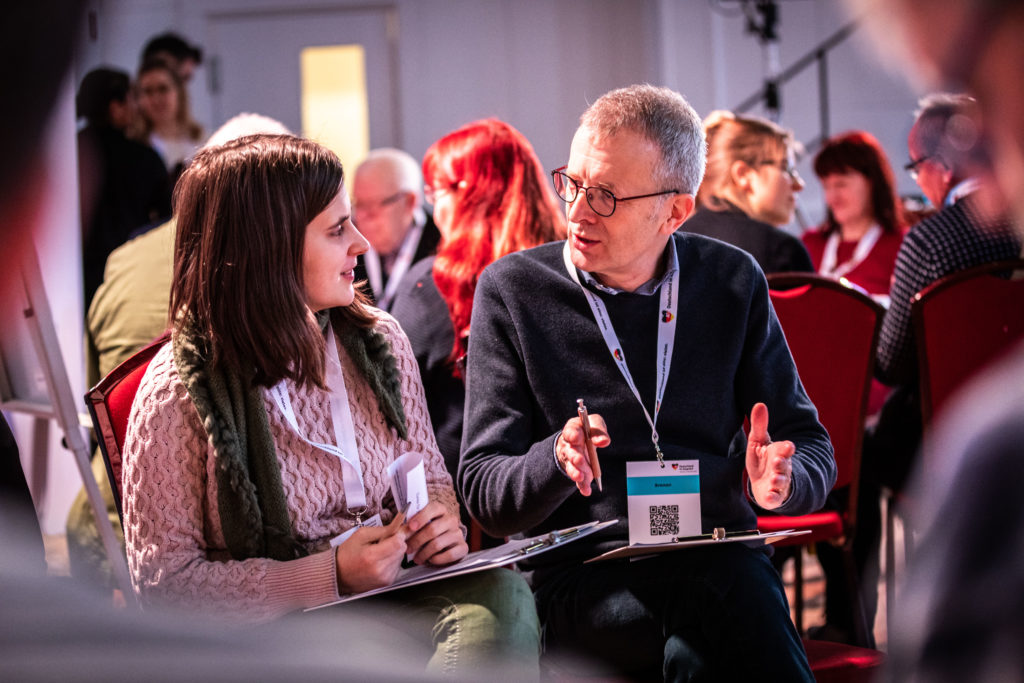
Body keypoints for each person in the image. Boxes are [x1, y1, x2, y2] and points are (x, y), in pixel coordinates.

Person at [120, 133, 539, 676]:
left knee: (502, 596)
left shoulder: (378, 340)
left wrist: (438, 522)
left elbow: (431, 478)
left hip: (391, 592)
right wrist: (329, 575)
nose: (362, 243)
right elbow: (165, 587)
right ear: (266, 249)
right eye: (338, 229)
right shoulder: (177, 390)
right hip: (268, 631)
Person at [459, 84, 835, 681]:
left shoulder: (730, 280)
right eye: (574, 183)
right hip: (589, 577)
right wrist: (555, 461)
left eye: (606, 195)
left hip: (713, 548)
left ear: (675, 211)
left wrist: (782, 483)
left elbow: (810, 446)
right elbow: (484, 490)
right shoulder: (513, 292)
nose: (578, 211)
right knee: (726, 597)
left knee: (699, 644)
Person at [845, 1, 1024, 679]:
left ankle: (847, 615)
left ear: (937, 165)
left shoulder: (929, 238)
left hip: (940, 433)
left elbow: (890, 361)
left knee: (864, 448)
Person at [67, 113, 292, 590]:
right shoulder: (266, 277)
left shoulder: (124, 259)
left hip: (98, 517)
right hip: (200, 549)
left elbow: (99, 397)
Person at [390, 118, 564, 485]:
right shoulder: (568, 270)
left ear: (469, 194)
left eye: (437, 195)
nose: (435, 211)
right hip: (562, 488)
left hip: (464, 511)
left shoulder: (433, 286)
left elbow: (387, 403)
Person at [77, 67, 171, 307]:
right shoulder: (143, 158)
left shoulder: (70, 153)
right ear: (115, 107)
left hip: (78, 274)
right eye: (132, 98)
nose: (137, 106)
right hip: (131, 271)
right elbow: (168, 218)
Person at [684, 109, 814, 273]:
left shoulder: (671, 243)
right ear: (743, 174)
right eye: (786, 168)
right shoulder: (780, 251)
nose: (799, 184)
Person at [803, 130, 906, 302]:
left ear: (872, 182)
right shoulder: (809, 244)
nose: (831, 197)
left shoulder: (902, 247)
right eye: (826, 187)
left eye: (841, 184)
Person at [351, 148, 441, 310]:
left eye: (374, 205)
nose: (363, 216)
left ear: (410, 202)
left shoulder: (442, 245)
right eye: (359, 204)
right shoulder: (345, 247)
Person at [130, 57, 203, 183]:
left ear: (179, 92)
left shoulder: (202, 138)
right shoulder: (135, 146)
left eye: (163, 89)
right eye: (148, 91)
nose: (156, 98)